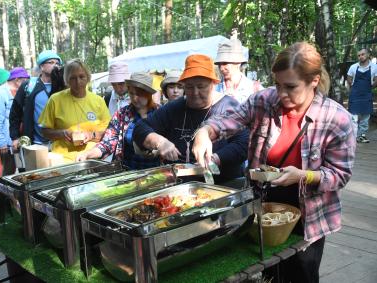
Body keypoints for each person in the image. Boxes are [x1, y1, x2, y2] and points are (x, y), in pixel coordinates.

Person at [192, 42, 357, 283]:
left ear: (314, 81)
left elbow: (339, 175)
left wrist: (303, 175)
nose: (281, 94)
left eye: (290, 87)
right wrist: (205, 132)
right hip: (265, 203)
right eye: (277, 84)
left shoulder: (337, 119)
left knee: (302, 272)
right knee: (270, 271)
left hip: (309, 211)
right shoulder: (263, 101)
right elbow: (229, 120)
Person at [133, 54, 249, 184]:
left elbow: (244, 144)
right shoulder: (174, 109)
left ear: (213, 84)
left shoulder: (230, 107)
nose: (194, 92)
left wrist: (215, 159)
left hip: (224, 185)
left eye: (201, 86)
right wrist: (160, 142)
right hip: (180, 187)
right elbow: (140, 128)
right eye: (189, 87)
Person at [76, 72, 160, 169]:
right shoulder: (121, 114)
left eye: (139, 94)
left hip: (155, 172)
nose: (135, 98)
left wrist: (159, 149)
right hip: (126, 171)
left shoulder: (160, 114)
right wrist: (87, 154)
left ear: (148, 94)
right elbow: (107, 144)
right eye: (132, 93)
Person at [38, 59, 111, 162]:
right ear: (66, 80)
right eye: (73, 78)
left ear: (88, 77)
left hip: (91, 158)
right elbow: (44, 131)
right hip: (63, 159)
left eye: (81, 77)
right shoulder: (55, 100)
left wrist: (91, 135)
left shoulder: (98, 101)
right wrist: (64, 133)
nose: (78, 82)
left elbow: (109, 133)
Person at [9, 50, 62, 150]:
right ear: (41, 66)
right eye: (51, 62)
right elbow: (15, 113)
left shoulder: (62, 87)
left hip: (58, 143)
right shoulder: (28, 86)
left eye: (57, 63)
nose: (55, 65)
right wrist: (15, 137)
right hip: (34, 144)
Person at [0, 67, 30, 178]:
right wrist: (1, 143)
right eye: (26, 79)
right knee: (5, 175)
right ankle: (2, 195)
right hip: (4, 142)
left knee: (23, 172)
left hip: (17, 141)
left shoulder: (22, 92)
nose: (28, 82)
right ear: (17, 80)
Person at [215, 36, 263, 103]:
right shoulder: (214, 90)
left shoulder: (255, 89)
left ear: (238, 63)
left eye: (225, 63)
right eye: (219, 64)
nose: (221, 68)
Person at [347, 48, 377, 143]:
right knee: (354, 117)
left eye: (363, 54)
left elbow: (376, 79)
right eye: (359, 55)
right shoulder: (353, 67)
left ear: (368, 55)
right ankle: (352, 136)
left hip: (367, 94)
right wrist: (354, 87)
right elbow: (349, 78)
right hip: (355, 94)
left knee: (365, 117)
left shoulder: (374, 67)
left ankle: (361, 136)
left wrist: (370, 87)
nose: (360, 56)